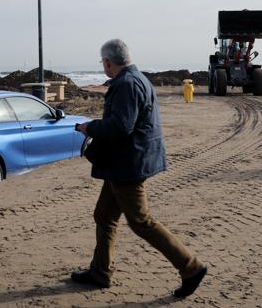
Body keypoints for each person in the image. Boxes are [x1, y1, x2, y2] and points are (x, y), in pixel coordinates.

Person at [73, 39, 207, 298]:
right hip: (124, 162)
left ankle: (191, 267)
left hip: (129, 164)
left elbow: (122, 126)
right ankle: (100, 272)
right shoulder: (135, 79)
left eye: (103, 62)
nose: (103, 66)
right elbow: (126, 122)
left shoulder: (127, 84)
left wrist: (91, 127)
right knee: (104, 214)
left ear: (109, 62)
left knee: (141, 221)